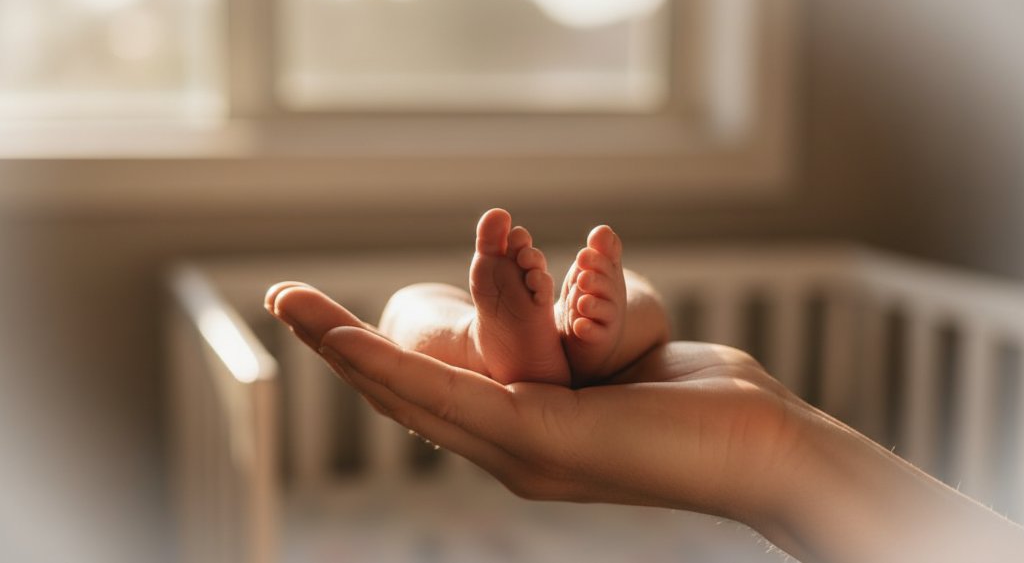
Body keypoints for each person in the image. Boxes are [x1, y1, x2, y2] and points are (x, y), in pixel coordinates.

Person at [264, 211, 1024, 563]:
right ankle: (565, 331)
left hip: (632, 370)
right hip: (637, 365)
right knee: (638, 307)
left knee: (409, 308)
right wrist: (783, 450)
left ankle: (494, 340)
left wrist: (780, 450)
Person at [376, 208, 669, 387]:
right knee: (640, 294)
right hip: (621, 356)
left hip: (521, 339)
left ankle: (471, 343)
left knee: (406, 305)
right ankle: (599, 342)